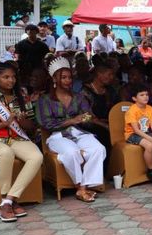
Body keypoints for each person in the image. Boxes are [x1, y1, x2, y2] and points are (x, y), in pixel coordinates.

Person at [36, 58, 107, 202]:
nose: (68, 81)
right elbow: (45, 123)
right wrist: (71, 120)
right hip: (57, 136)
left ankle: (83, 188)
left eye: (69, 77)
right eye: (63, 77)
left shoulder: (79, 97)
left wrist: (86, 118)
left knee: (98, 149)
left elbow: (87, 116)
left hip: (78, 132)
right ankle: (80, 187)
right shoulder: (45, 100)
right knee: (71, 152)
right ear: (55, 78)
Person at [0, 63, 43, 222]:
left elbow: (32, 126)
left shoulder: (22, 95)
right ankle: (6, 201)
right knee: (5, 152)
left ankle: (8, 201)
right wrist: (3, 124)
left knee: (36, 156)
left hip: (17, 138)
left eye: (13, 77)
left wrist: (23, 122)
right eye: (6, 77)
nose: (11, 80)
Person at [124, 83, 152, 184]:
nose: (145, 97)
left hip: (146, 132)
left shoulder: (150, 108)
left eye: (147, 94)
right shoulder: (132, 111)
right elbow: (136, 130)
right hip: (132, 134)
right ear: (134, 98)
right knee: (149, 146)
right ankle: (151, 170)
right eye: (142, 95)